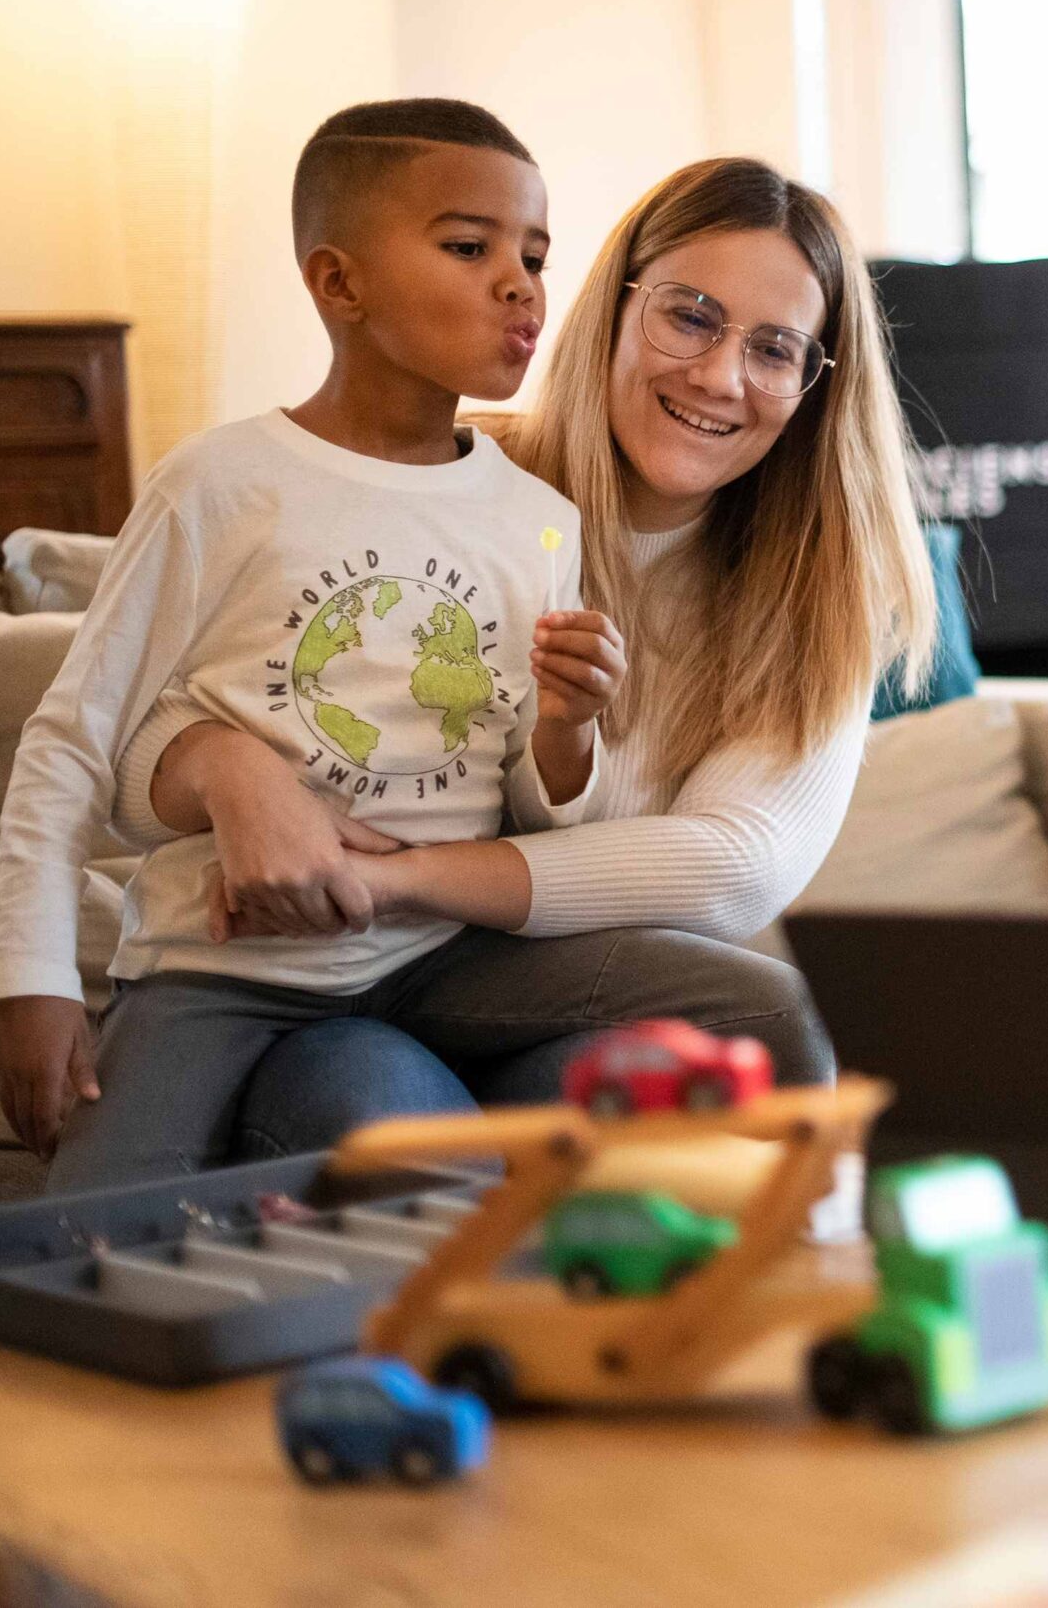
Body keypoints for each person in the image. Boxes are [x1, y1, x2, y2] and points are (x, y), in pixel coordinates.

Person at [118, 154, 940, 1162]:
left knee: (726, 1060)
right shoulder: (449, 482)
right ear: (614, 307)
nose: (721, 377)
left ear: (815, 386)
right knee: (389, 1113)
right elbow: (135, 708)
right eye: (688, 316)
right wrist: (230, 768)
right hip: (326, 996)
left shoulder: (814, 595)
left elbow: (734, 867)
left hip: (557, 1009)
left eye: (775, 349)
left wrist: (405, 878)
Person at [0, 98, 630, 1189]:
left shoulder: (538, 518)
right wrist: (31, 975)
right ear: (339, 283)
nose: (521, 283)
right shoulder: (222, 482)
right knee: (91, 1227)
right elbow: (76, 736)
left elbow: (521, 800)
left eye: (534, 253)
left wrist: (567, 729)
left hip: (444, 958)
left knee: (743, 1000)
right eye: (470, 247)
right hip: (218, 967)